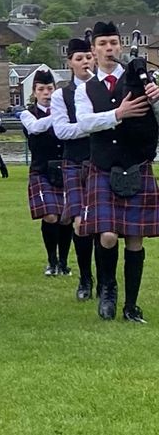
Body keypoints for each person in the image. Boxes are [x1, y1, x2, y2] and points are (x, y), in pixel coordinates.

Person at [76, 21, 159, 323]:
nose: (109, 48)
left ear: (120, 46)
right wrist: (117, 115)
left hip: (137, 165)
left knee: (135, 238)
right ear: (94, 50)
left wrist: (156, 98)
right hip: (104, 167)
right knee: (108, 235)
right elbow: (84, 123)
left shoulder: (141, 80)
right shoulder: (85, 89)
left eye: (113, 43)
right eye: (102, 44)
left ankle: (131, 305)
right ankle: (108, 290)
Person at [51, 37, 96, 300]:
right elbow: (61, 131)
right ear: (70, 63)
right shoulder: (61, 95)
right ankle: (85, 279)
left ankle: (103, 281)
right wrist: (95, 124)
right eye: (79, 59)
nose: (85, 63)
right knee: (80, 223)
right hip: (75, 162)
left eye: (88, 57)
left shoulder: (105, 89)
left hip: (103, 163)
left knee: (102, 228)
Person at [20, 70, 73, 276]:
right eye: (41, 89)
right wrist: (58, 115)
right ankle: (51, 261)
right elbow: (35, 128)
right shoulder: (27, 114)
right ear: (34, 92)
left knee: (66, 218)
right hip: (41, 171)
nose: (46, 93)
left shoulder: (66, 111)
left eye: (50, 89)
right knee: (51, 216)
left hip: (65, 169)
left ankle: (63, 262)